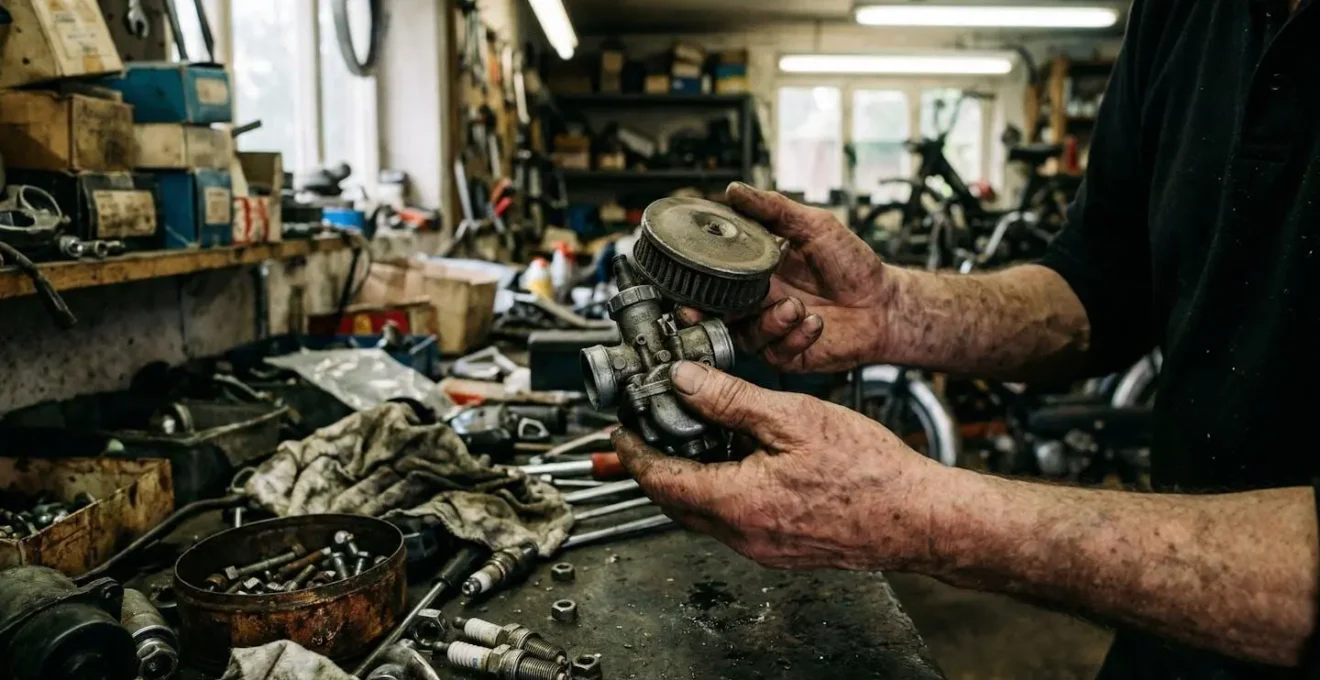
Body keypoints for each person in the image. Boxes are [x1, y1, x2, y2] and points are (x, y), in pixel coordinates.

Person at [612, 1, 1320, 678]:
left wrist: (931, 516)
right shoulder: (1184, 13)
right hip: (1168, 639)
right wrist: (891, 308)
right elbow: (1101, 286)